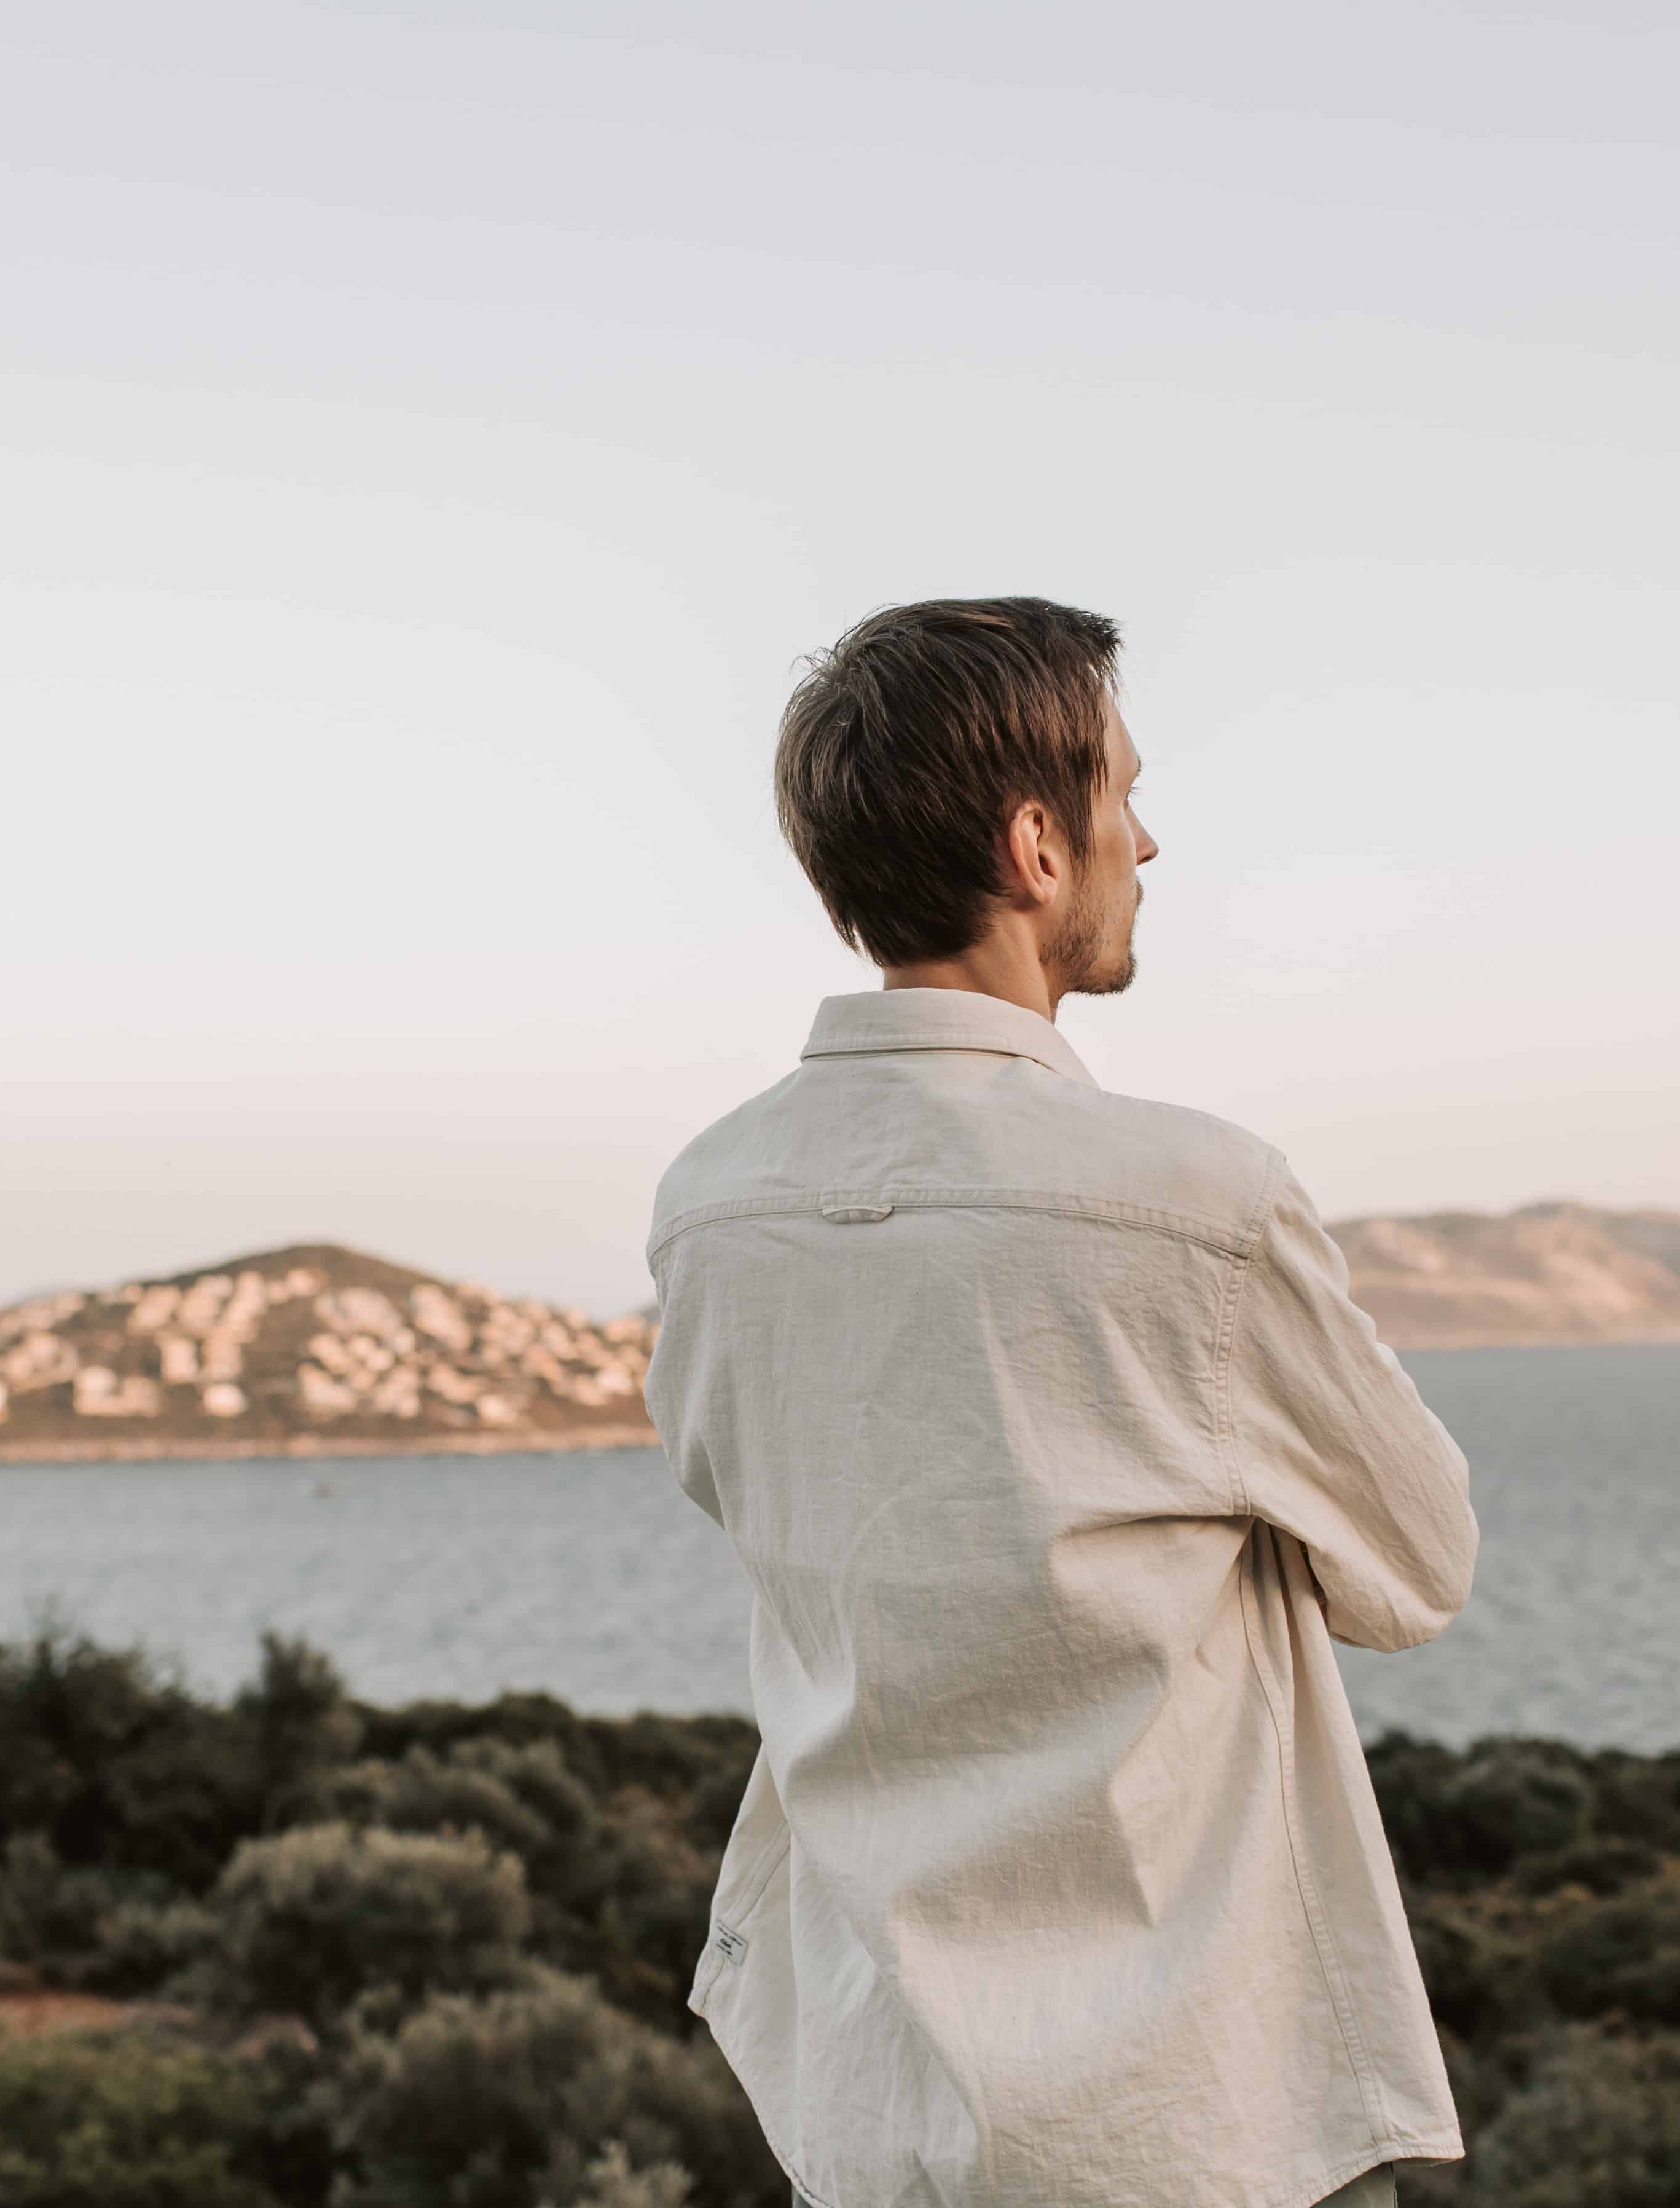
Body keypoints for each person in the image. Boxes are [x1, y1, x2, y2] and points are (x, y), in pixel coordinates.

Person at [643, 598, 1480, 2208]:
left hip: (874, 2115)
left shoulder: (709, 1211)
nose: (1147, 841)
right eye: (1124, 793)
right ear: (1037, 844)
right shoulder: (1196, 1203)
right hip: (1195, 2127)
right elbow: (1423, 1564)